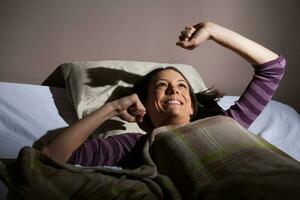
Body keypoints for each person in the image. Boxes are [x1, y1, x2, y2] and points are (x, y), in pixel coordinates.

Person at [41, 21, 286, 168]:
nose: (174, 90)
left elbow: (273, 67)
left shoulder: (228, 123)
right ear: (144, 105)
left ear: (192, 106)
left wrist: (211, 30)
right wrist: (113, 107)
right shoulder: (138, 146)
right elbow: (54, 155)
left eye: (182, 85)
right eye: (161, 86)